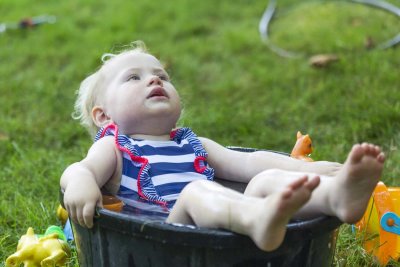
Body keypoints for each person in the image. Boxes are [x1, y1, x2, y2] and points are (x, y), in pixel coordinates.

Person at [60, 41, 385, 252]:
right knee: (196, 191)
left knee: (264, 181)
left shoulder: (193, 145)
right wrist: (80, 183)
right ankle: (258, 217)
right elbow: (81, 169)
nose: (155, 80)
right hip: (167, 239)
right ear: (104, 116)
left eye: (162, 76)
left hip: (226, 220)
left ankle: (336, 195)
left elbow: (252, 163)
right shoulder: (116, 148)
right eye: (134, 78)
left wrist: (310, 169)